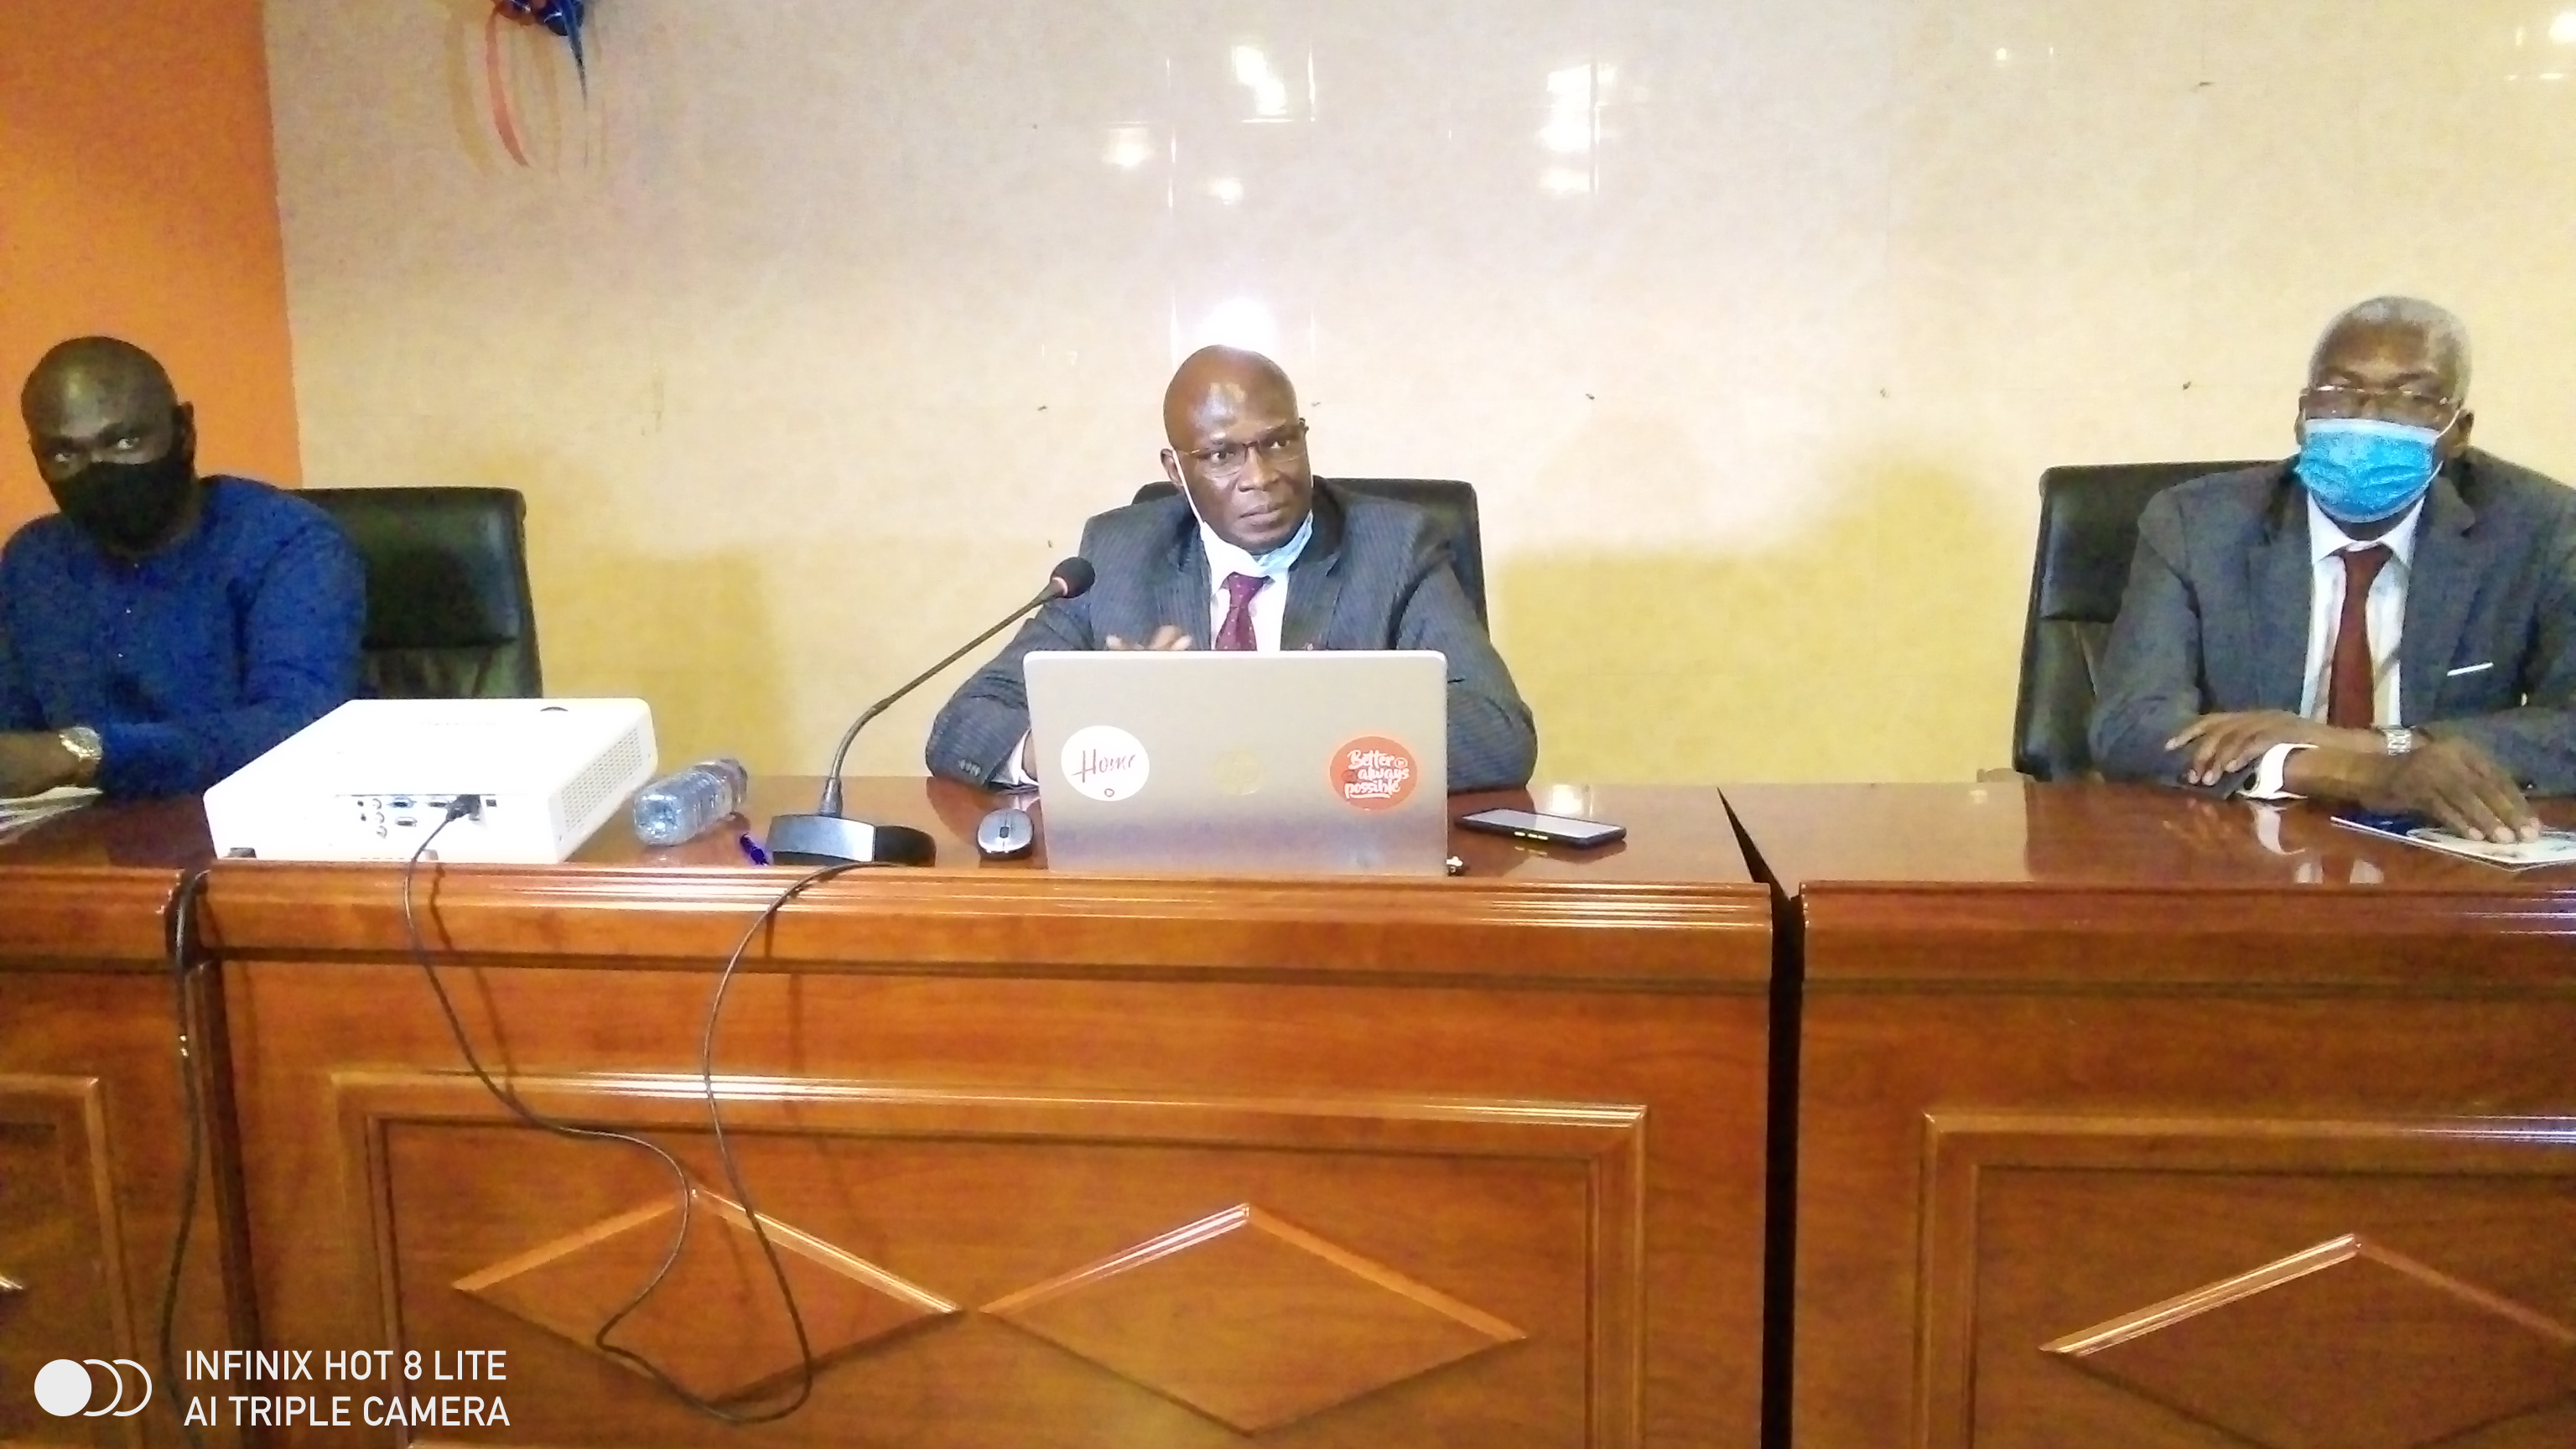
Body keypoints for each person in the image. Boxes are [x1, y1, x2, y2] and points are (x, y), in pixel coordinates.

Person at [927, 345, 1539, 792]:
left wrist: (1285, 719)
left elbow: (1498, 735)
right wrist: (1101, 731)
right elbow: (964, 725)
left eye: (1279, 442)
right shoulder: (1117, 556)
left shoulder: (1394, 548)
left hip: (1337, 878)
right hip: (1167, 884)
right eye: (1222, 455)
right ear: (1176, 471)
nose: (1261, 477)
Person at [2090, 297, 2576, 842]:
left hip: (2445, 847)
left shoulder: (2543, 528)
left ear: (2458, 431)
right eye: (2339, 392)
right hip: (2240, 843)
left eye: (2412, 398)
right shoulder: (2195, 524)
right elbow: (2132, 725)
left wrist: (2380, 745)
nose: (2367, 419)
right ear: (2303, 416)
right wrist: (2354, 771)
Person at [0, 337, 365, 797]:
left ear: (184, 431)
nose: (97, 469)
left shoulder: (287, 542)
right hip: (84, 833)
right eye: (63, 454)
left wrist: (82, 754)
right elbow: (14, 740)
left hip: (259, 822)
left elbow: (301, 729)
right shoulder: (33, 561)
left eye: (125, 441)